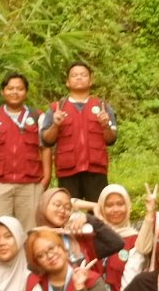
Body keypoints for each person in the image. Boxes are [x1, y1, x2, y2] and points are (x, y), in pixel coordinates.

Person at [0, 73, 48, 229]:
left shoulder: (37, 116)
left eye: (20, 89)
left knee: (32, 230)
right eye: (10, 88)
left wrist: (47, 177)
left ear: (26, 92)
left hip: (30, 184)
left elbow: (45, 148)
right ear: (3, 92)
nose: (15, 92)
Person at [40, 61, 117, 203]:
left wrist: (105, 126)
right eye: (74, 75)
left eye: (83, 75)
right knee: (69, 215)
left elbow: (111, 139)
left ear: (91, 80)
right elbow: (46, 140)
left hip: (96, 172)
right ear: (68, 82)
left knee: (98, 213)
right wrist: (56, 125)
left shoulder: (102, 107)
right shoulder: (57, 108)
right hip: (68, 172)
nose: (79, 78)